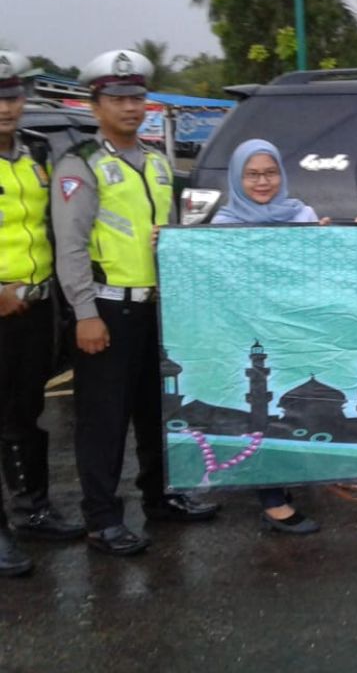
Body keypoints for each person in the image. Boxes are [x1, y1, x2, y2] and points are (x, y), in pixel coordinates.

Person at [52, 50, 217, 556]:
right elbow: (71, 246)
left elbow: (166, 235)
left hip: (153, 308)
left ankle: (159, 499)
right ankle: (102, 519)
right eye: (118, 98)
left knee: (155, 412)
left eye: (137, 97)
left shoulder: (158, 163)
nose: (130, 106)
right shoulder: (80, 166)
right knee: (103, 420)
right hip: (106, 310)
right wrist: (84, 314)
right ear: (96, 105)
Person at [211, 139, 324, 534]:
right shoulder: (224, 226)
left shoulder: (302, 215)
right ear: (238, 178)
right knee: (264, 414)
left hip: (296, 331)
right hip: (251, 334)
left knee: (293, 409)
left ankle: (283, 484)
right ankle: (272, 501)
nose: (263, 182)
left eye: (271, 172)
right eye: (252, 174)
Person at [2, 51, 82, 577]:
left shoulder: (36, 150)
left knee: (24, 414)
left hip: (35, 307)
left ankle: (32, 509)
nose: (6, 107)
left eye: (11, 95)